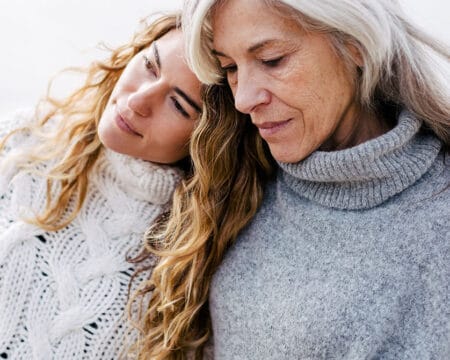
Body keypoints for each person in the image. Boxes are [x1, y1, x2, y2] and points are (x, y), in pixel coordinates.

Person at [131, 0, 450, 358]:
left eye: (271, 60)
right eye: (230, 67)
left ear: (355, 44)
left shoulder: (438, 222)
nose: (245, 99)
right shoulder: (236, 170)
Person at [0, 13, 202, 359]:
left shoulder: (188, 256)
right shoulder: (22, 141)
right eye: (150, 66)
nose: (138, 100)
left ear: (207, 140)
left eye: (178, 104)